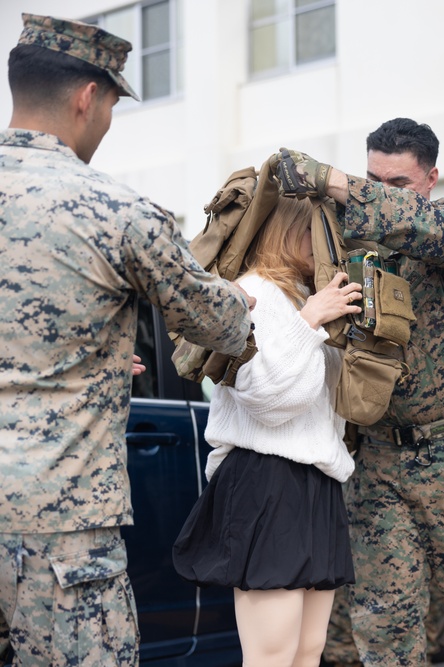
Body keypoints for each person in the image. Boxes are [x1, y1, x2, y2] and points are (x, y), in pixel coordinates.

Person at [0, 14, 253, 666]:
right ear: (88, 97)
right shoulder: (113, 209)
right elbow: (221, 325)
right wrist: (245, 297)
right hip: (60, 531)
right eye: (111, 104)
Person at [270, 118, 444, 666]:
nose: (383, 192)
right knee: (384, 629)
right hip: (378, 460)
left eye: (399, 184)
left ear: (431, 178)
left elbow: (415, 224)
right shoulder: (352, 247)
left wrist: (335, 180)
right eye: (372, 179)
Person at [172, 196, 360, 666]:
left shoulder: (305, 295)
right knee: (271, 654)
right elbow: (270, 400)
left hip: (317, 477)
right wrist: (311, 320)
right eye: (318, 229)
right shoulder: (250, 292)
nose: (327, 242)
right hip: (266, 478)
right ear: (290, 231)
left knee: (308, 650)